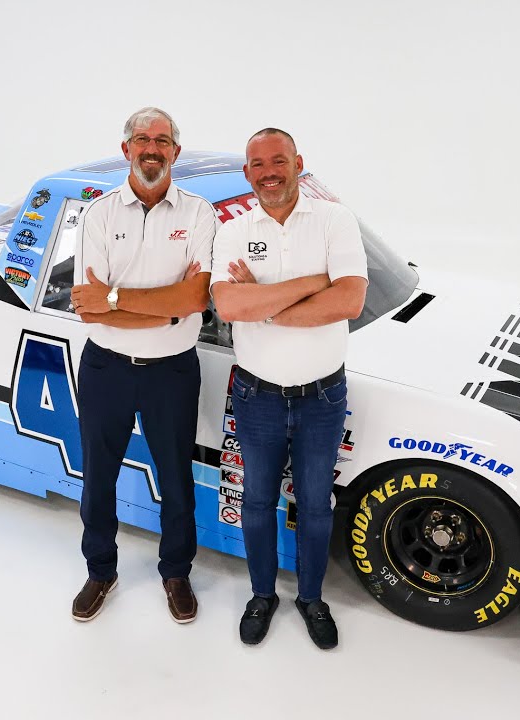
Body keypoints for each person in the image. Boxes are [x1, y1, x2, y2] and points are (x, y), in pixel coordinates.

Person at [209, 128, 367, 649]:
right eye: (258, 165)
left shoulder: (334, 220)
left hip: (323, 397)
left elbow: (348, 302)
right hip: (257, 396)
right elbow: (229, 306)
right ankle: (262, 595)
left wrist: (263, 301)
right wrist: (312, 283)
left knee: (316, 505)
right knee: (256, 500)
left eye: (278, 161)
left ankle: (311, 598)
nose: (269, 173)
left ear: (298, 163)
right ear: (247, 173)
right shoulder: (233, 231)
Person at [68, 107, 217, 624]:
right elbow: (88, 309)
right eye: (141, 139)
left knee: (176, 480)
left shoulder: (199, 214)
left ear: (175, 151)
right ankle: (100, 571)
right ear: (126, 148)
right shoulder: (99, 214)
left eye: (161, 140)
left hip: (171, 372)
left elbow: (196, 298)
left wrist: (115, 299)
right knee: (98, 478)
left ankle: (176, 572)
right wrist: (165, 309)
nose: (151, 148)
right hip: (105, 368)